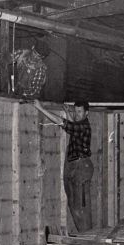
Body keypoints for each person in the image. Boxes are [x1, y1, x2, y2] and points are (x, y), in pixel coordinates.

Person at [32, 99, 93, 233]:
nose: (76, 114)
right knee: (74, 204)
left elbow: (64, 123)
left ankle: (88, 237)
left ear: (86, 113)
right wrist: (67, 112)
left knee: (81, 207)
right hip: (74, 165)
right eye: (75, 111)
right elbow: (73, 125)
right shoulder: (80, 124)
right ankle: (86, 235)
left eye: (79, 112)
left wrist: (40, 108)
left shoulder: (83, 126)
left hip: (81, 167)